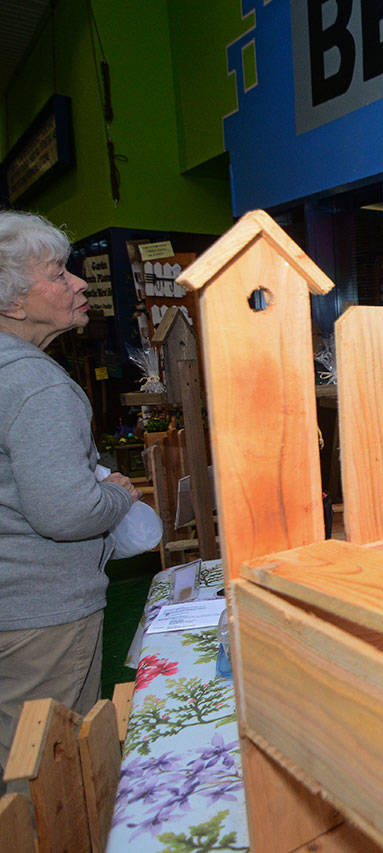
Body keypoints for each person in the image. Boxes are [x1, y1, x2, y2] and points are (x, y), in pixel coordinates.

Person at [0, 210, 140, 790]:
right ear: (13, 302)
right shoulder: (36, 383)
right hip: (42, 612)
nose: (79, 282)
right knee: (44, 777)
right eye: (58, 272)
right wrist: (116, 494)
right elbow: (67, 513)